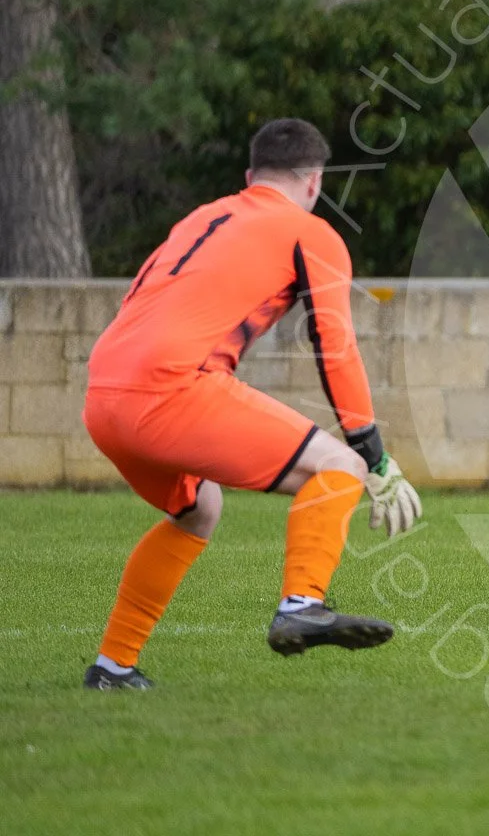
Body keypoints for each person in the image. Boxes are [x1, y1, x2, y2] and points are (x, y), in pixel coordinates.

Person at [81, 118, 423, 690]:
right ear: (315, 183)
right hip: (173, 387)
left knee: (198, 509)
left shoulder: (201, 217)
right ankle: (301, 604)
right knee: (341, 465)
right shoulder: (311, 233)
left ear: (249, 177)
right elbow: (334, 345)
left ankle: (113, 667)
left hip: (103, 393)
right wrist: (375, 457)